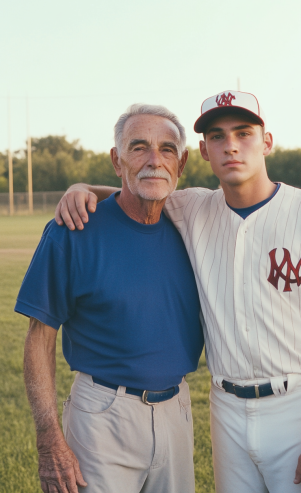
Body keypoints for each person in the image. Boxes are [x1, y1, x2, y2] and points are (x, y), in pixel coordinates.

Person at [56, 90, 301, 493]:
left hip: (299, 403)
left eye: (244, 133)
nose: (231, 146)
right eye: (218, 137)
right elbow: (138, 188)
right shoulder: (192, 209)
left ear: (267, 141)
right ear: (205, 152)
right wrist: (82, 187)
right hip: (226, 408)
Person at [15, 104, 204, 493]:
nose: (155, 160)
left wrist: (84, 186)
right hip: (102, 416)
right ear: (116, 160)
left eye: (167, 149)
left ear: (182, 162)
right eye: (139, 147)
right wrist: (49, 437)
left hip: (177, 412)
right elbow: (39, 338)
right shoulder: (72, 230)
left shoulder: (194, 227)